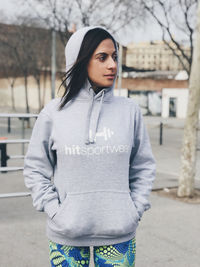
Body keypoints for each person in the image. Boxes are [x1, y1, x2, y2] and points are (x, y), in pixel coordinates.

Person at [23, 26, 156, 267]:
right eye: (102, 57)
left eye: (114, 57)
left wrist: (134, 209)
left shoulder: (130, 112)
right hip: (67, 236)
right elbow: (35, 169)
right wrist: (55, 211)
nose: (112, 65)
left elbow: (143, 166)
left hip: (119, 234)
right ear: (80, 60)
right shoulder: (54, 113)